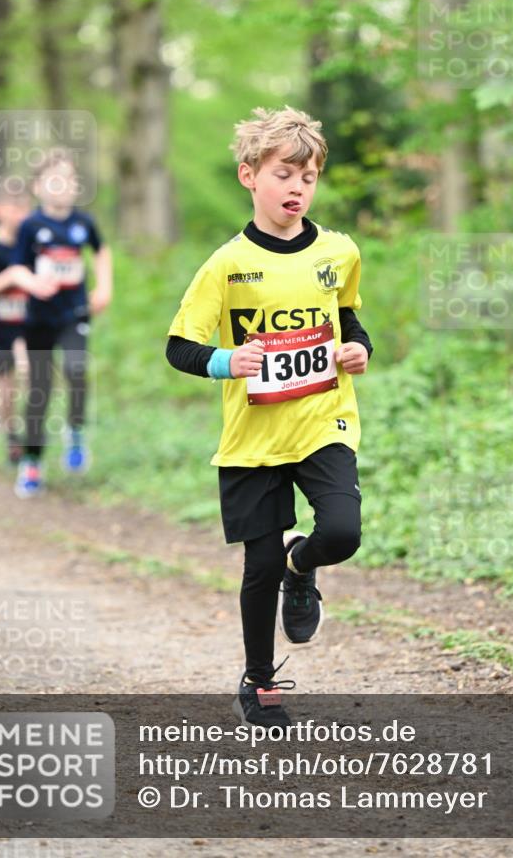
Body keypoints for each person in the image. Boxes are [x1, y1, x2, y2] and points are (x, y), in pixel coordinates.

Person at [166, 106, 373, 729]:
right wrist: (229, 361)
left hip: (322, 420)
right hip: (253, 436)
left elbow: (350, 318)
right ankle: (260, 683)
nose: (298, 188)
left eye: (308, 177)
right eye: (285, 173)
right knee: (257, 568)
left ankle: (301, 566)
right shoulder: (225, 265)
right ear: (249, 176)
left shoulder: (339, 252)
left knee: (342, 532)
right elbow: (180, 347)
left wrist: (358, 348)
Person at [11, 147, 113, 497]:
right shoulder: (30, 226)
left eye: (69, 179)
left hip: (74, 314)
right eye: (54, 179)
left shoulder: (83, 224)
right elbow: (17, 267)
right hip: (39, 319)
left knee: (75, 368)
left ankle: (76, 431)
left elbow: (101, 251)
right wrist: (31, 283)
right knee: (39, 391)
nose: (63, 185)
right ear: (38, 187)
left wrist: (104, 286)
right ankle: (32, 463)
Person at [0, 181, 56, 464]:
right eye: (11, 207)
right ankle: (11, 434)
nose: (18, 214)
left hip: (31, 325)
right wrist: (12, 277)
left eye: (23, 207)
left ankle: (33, 433)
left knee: (31, 375)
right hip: (0, 328)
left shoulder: (36, 244)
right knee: (6, 389)